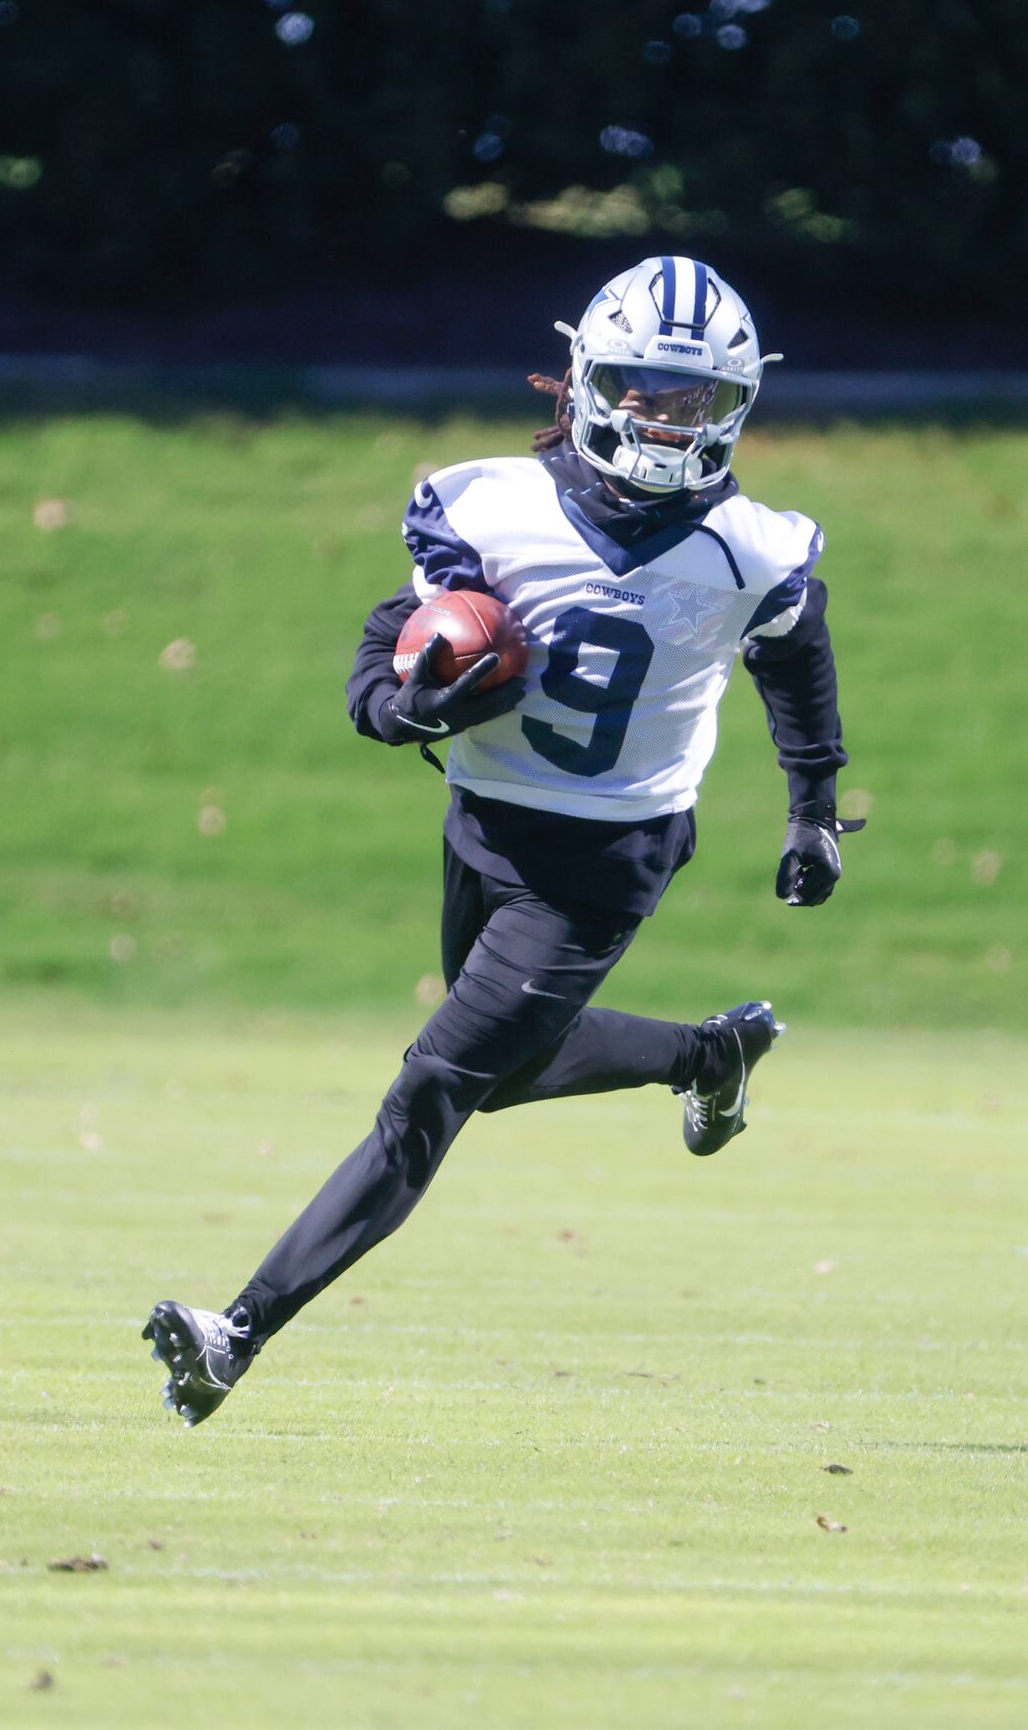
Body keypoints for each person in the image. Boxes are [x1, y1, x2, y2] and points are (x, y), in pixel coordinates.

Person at [143, 255, 863, 1427]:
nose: (663, 418)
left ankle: (237, 1330)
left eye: (691, 400)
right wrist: (402, 708)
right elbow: (396, 640)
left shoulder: (755, 548)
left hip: (602, 864)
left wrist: (813, 804)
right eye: (641, 389)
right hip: (483, 823)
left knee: (429, 1092)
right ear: (587, 380)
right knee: (505, 1068)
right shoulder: (487, 503)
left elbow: (796, 654)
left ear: (733, 408)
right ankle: (702, 1058)